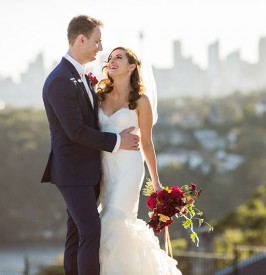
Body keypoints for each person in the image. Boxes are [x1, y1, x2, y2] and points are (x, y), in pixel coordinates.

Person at [41, 16, 139, 275]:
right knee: (90, 231)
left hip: (88, 171)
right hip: (73, 173)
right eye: (96, 41)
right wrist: (118, 141)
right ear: (81, 39)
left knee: (76, 234)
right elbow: (75, 131)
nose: (100, 48)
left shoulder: (81, 75)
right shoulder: (61, 79)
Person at [97, 47, 182, 275]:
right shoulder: (99, 95)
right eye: (110, 58)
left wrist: (156, 183)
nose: (112, 60)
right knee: (106, 220)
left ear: (132, 66)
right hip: (105, 168)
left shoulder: (141, 101)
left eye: (119, 57)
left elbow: (146, 143)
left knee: (115, 220)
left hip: (129, 169)